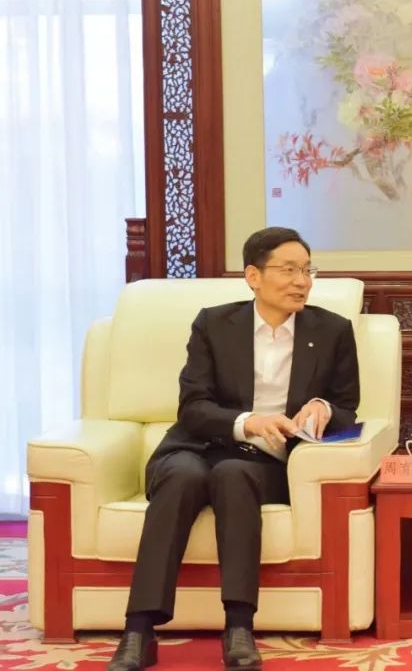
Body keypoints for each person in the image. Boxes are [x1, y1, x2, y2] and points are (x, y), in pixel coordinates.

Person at [108, 227, 360, 671]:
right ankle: (139, 630)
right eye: (288, 270)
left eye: (307, 270)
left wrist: (321, 407)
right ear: (253, 276)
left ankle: (239, 627)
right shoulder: (214, 324)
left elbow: (346, 406)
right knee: (183, 476)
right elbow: (193, 407)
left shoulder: (332, 330)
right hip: (195, 446)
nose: (301, 281)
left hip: (262, 463)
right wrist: (248, 422)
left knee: (232, 474)